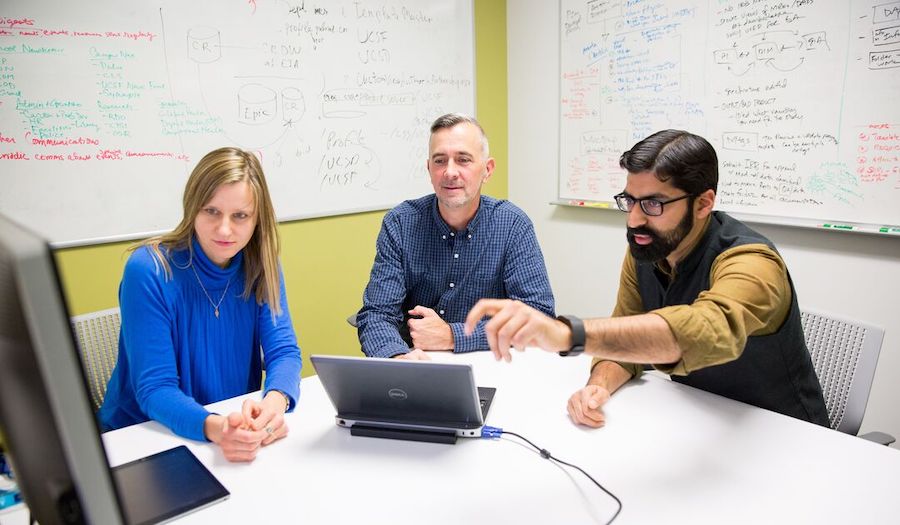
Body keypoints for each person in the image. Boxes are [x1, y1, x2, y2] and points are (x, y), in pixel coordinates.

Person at [465, 129, 829, 428]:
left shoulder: (753, 262)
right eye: (630, 200)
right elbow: (626, 343)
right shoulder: (648, 249)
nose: (635, 219)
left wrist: (566, 333)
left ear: (703, 203)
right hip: (700, 418)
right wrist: (598, 387)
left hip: (783, 434)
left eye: (654, 204)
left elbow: (704, 327)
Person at [98, 147, 302, 462]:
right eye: (211, 211)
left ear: (257, 218)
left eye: (240, 216)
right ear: (192, 207)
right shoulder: (149, 269)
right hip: (141, 439)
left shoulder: (262, 264)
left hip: (221, 432)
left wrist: (274, 405)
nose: (224, 229)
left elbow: (284, 352)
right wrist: (219, 430)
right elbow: (156, 389)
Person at [356, 113, 555, 360]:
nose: (450, 172)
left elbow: (539, 317)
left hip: (491, 364)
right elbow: (377, 313)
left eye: (463, 160)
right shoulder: (400, 223)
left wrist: (453, 335)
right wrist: (397, 359)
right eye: (440, 161)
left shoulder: (513, 225)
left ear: (487, 169)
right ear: (429, 169)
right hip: (418, 364)